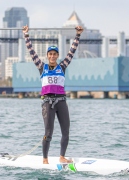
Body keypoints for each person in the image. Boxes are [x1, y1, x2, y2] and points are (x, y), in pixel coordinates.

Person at [22, 25, 84, 164]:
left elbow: (72, 51)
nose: (52, 56)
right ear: (47, 56)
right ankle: (45, 159)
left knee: (66, 132)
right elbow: (31, 51)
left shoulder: (62, 66)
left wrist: (78, 35)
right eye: (50, 54)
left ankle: (62, 157)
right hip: (47, 103)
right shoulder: (41, 66)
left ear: (57, 56)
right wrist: (26, 35)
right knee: (48, 134)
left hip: (61, 102)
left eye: (54, 54)